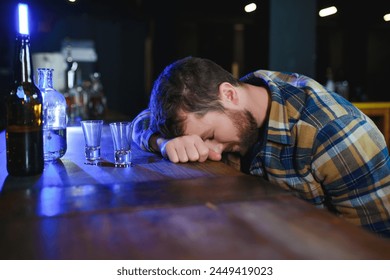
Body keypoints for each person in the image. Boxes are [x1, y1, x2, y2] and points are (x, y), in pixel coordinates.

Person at [132, 56, 390, 238]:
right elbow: (141, 120)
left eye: (210, 135)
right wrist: (163, 142)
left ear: (229, 95)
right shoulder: (238, 96)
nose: (212, 152)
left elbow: (377, 245)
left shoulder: (334, 132)